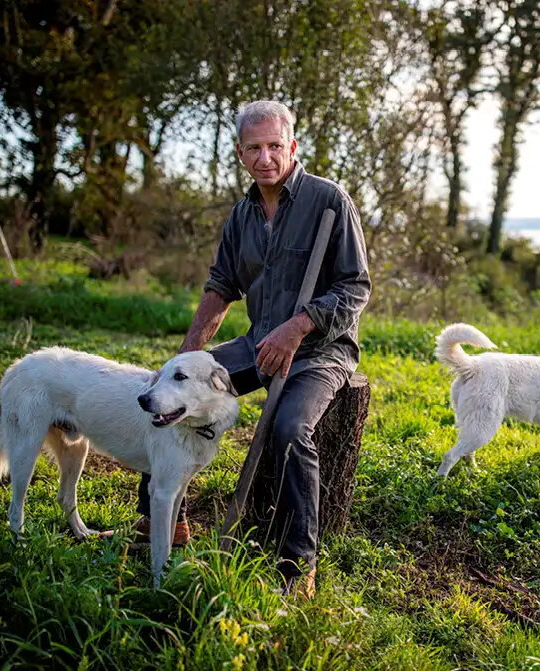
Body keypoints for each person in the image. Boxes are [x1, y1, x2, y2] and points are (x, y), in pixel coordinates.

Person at [133, 100, 371, 598]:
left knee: (289, 429)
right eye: (254, 148)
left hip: (320, 350)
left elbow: (355, 287)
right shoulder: (241, 215)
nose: (265, 157)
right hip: (258, 342)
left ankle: (298, 565)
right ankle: (160, 522)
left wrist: (299, 327)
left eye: (274, 146)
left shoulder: (329, 201)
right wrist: (180, 362)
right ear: (241, 153)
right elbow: (221, 287)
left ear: (293, 146)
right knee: (168, 400)